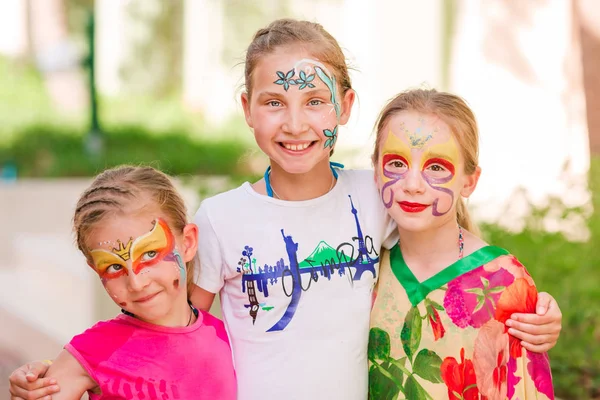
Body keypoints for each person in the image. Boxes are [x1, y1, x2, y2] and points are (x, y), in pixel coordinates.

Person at [9, 19, 561, 400]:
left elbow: (453, 243)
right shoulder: (222, 219)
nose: (295, 125)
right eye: (274, 103)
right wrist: (77, 366)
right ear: (247, 109)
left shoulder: (377, 192)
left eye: (314, 102)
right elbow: (169, 324)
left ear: (344, 107)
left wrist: (532, 303)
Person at [368, 89, 555, 399]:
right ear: (375, 170)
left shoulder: (503, 283)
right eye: (397, 163)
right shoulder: (363, 265)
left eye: (437, 167)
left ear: (469, 181)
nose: (412, 185)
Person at [9, 166, 236, 400]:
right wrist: (28, 391)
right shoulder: (93, 350)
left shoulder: (233, 339)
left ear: (187, 243)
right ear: (96, 270)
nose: (136, 283)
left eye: (149, 254)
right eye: (114, 267)